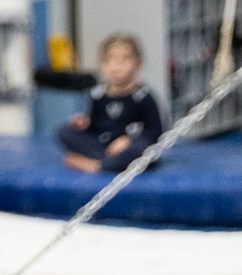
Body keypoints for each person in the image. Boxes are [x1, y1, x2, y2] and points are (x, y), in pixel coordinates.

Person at [64, 33, 166, 173]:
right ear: (103, 65)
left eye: (125, 58)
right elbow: (96, 126)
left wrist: (128, 141)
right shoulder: (98, 94)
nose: (118, 64)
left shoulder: (143, 97)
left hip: (131, 147)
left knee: (142, 151)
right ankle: (109, 162)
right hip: (105, 147)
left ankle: (97, 166)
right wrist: (84, 124)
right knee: (65, 132)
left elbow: (155, 133)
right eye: (111, 59)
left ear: (138, 64)